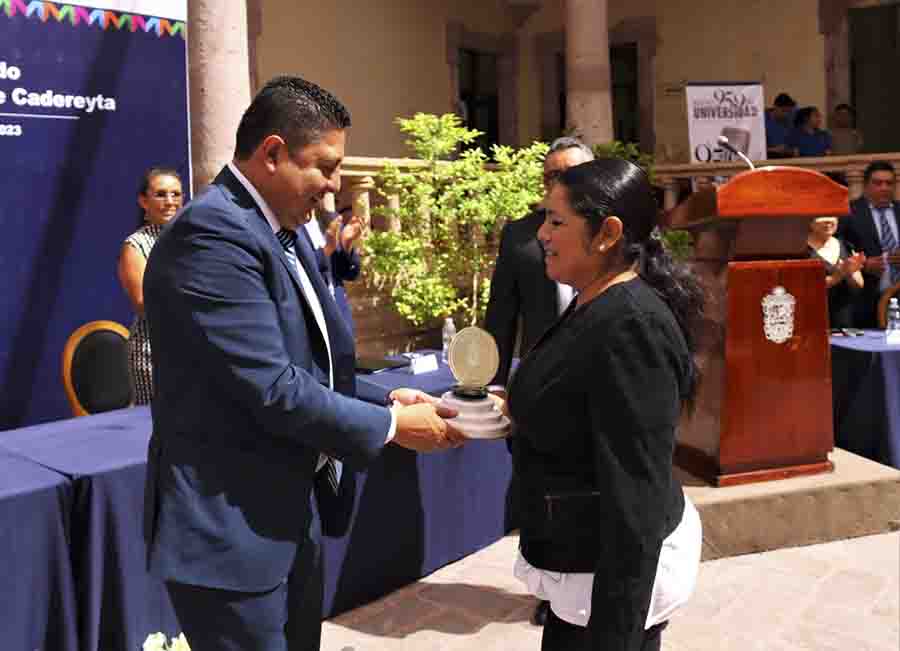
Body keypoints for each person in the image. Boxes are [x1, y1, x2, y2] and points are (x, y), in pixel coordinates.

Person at [142, 75, 465, 651]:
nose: (335, 185)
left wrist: (386, 398)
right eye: (325, 166)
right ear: (272, 153)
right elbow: (272, 386)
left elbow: (311, 365)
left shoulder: (279, 234)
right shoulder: (213, 235)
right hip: (231, 535)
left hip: (288, 515)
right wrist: (392, 428)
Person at [496, 158, 703, 650]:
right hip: (580, 565)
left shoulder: (632, 327)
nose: (542, 234)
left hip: (607, 584)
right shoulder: (592, 300)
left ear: (607, 234)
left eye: (556, 221)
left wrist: (615, 637)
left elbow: (636, 506)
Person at [484, 135, 594, 627]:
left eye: (570, 174)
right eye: (551, 175)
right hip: (540, 388)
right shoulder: (520, 236)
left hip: (597, 383)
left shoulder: (613, 233)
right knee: (539, 489)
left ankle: (600, 576)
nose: (559, 183)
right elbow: (501, 316)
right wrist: (493, 383)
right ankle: (549, 590)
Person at [117, 167, 183, 405]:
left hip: (195, 348)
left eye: (176, 194)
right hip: (153, 353)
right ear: (143, 201)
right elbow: (145, 304)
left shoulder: (192, 239)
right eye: (161, 194)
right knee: (155, 427)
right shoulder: (135, 245)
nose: (170, 201)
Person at [839, 161, 900, 327]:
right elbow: (838, 247)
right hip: (866, 300)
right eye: (877, 183)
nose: (884, 188)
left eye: (889, 183)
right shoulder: (849, 212)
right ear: (866, 185)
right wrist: (862, 264)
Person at [302, 203, 363, 334]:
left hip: (340, 318)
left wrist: (346, 244)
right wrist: (327, 250)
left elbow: (350, 274)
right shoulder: (289, 225)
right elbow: (300, 271)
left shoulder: (331, 218)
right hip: (312, 320)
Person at [807, 216, 865, 329]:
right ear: (809, 221)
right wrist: (838, 275)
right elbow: (806, 287)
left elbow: (859, 285)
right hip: (814, 320)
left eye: (832, 216)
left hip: (844, 321)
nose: (828, 221)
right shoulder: (799, 248)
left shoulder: (846, 244)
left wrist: (850, 272)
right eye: (821, 217)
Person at [765, 93, 797, 158]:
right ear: (775, 107)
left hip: (786, 158)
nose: (786, 114)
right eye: (783, 111)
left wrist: (789, 150)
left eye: (789, 111)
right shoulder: (763, 120)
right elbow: (755, 149)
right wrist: (773, 150)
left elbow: (793, 146)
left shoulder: (790, 121)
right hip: (767, 159)